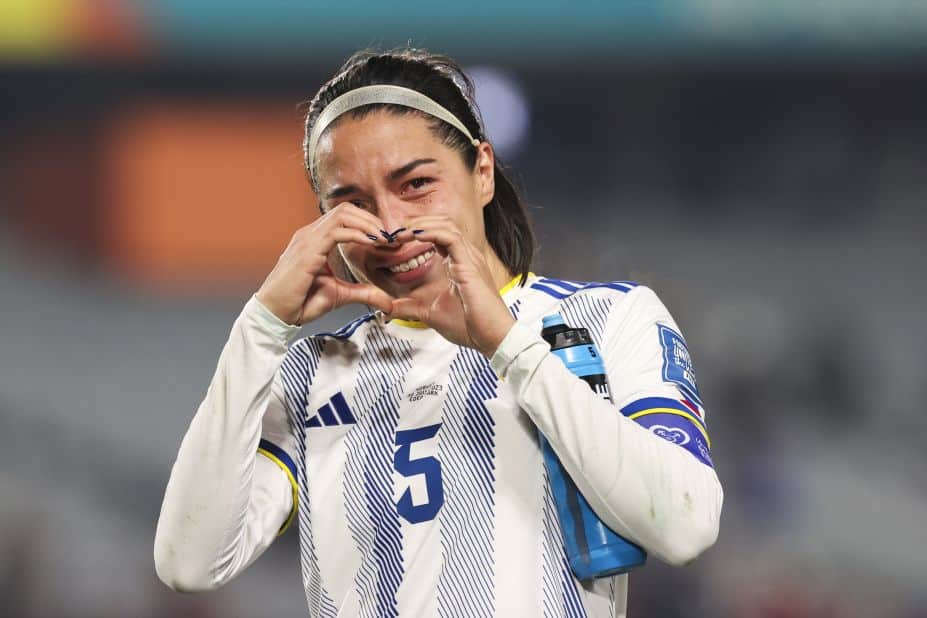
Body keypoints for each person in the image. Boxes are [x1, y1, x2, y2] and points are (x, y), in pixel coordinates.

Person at [153, 48, 723, 617]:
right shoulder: (310, 372)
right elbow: (191, 564)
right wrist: (260, 327)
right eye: (351, 203)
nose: (390, 226)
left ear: (481, 171)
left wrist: (509, 344)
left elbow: (685, 526)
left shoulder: (606, 319)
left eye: (417, 184)